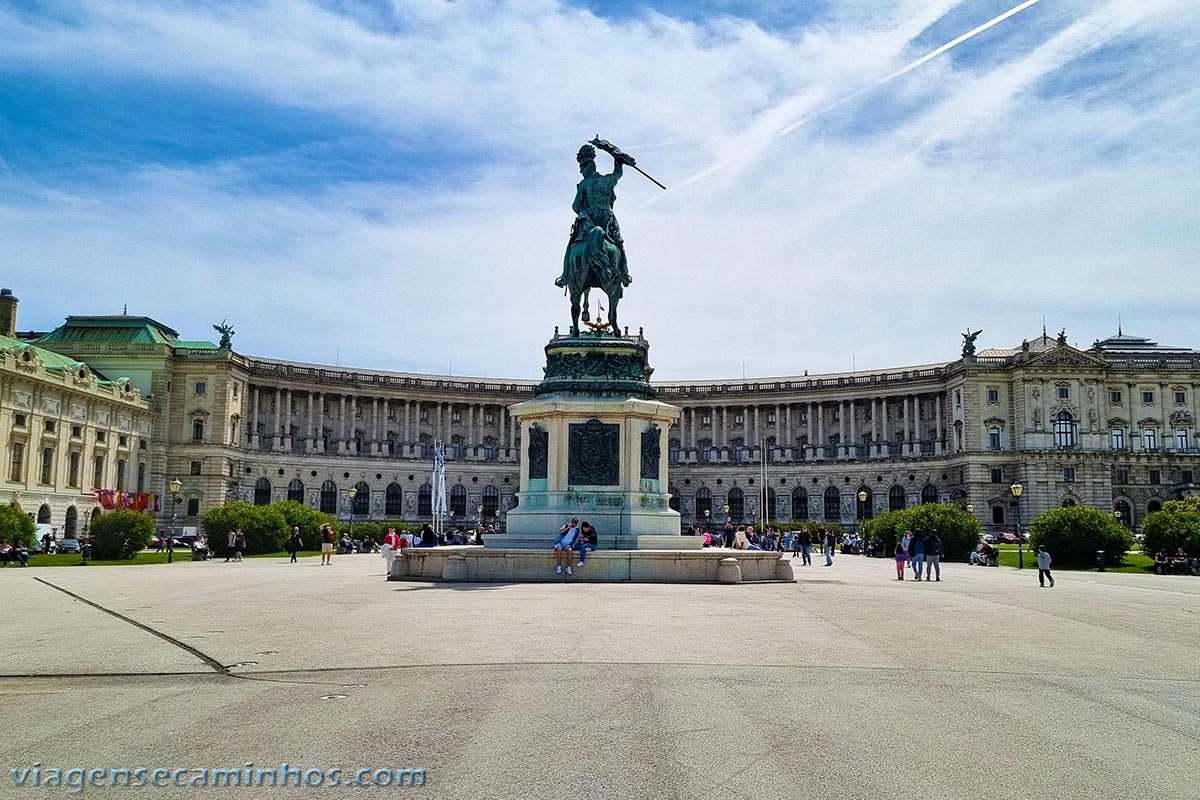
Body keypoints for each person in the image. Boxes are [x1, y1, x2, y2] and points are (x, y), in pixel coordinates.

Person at [556, 142, 633, 289]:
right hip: (607, 220)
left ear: (586, 167)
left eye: (582, 167)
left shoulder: (585, 184)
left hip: (589, 222)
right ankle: (624, 274)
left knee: (571, 245)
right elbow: (618, 173)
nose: (581, 171)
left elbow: (575, 206)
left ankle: (565, 276)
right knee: (619, 245)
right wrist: (619, 161)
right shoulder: (607, 180)